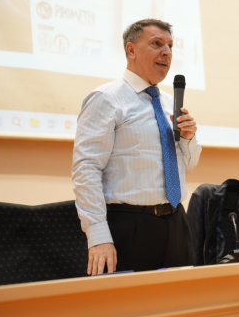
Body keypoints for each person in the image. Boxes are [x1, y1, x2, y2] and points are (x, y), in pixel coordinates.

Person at [72, 19, 201, 275]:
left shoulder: (169, 103)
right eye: (156, 44)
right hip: (129, 227)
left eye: (170, 46)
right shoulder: (106, 99)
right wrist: (98, 235)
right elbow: (86, 169)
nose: (167, 52)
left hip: (176, 223)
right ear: (131, 50)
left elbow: (189, 164)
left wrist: (188, 138)